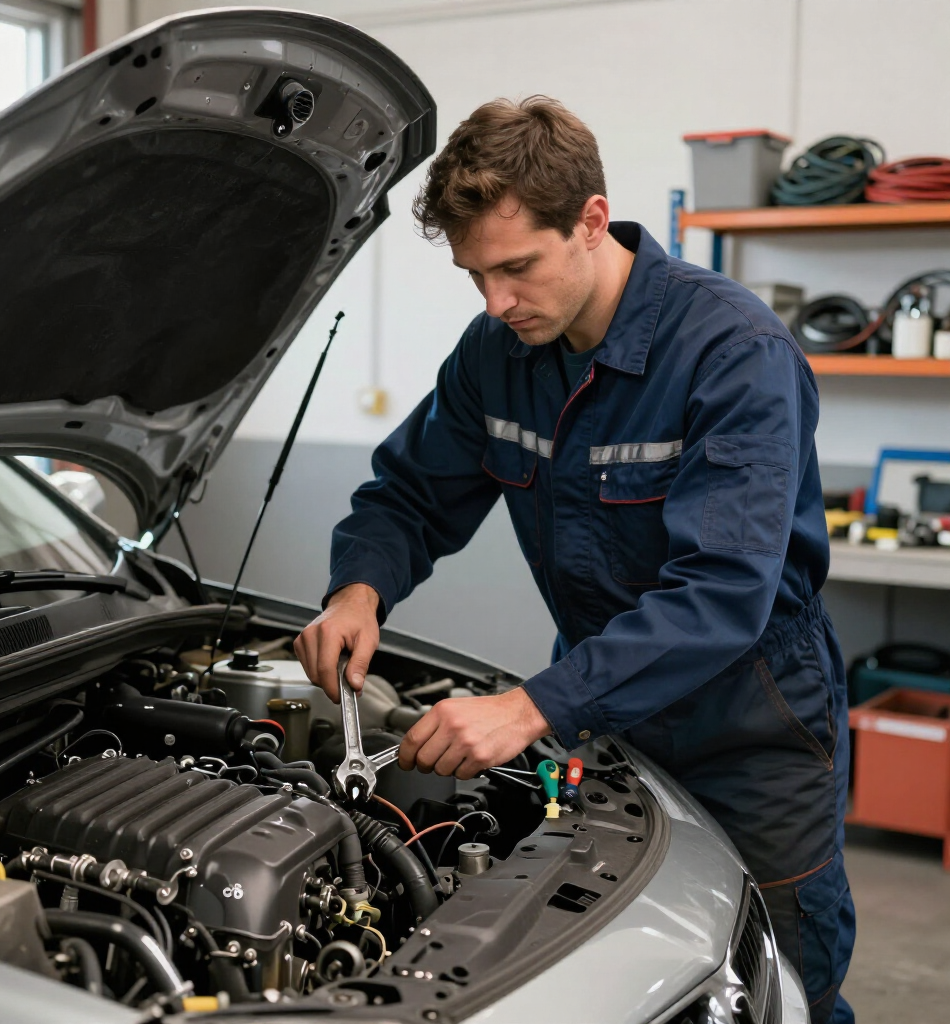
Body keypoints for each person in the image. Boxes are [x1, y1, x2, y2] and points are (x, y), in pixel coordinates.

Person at [294, 96, 854, 1023]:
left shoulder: (732, 353)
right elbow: (410, 494)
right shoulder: (497, 355)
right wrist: (359, 590)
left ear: (593, 221)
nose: (497, 303)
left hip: (750, 734)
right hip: (608, 722)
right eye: (477, 276)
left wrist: (529, 707)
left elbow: (721, 594)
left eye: (517, 268)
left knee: (779, 984)